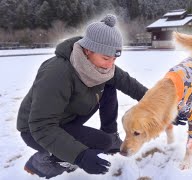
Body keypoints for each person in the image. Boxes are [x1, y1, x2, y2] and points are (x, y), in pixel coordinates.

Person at [16, 14, 148, 178]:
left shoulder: (102, 67)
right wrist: (80, 156)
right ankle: (44, 161)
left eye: (114, 58)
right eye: (106, 58)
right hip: (36, 129)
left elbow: (129, 84)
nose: (110, 64)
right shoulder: (57, 73)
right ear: (88, 50)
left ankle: (110, 135)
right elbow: (41, 126)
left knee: (109, 84)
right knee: (102, 143)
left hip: (68, 116)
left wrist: (160, 107)